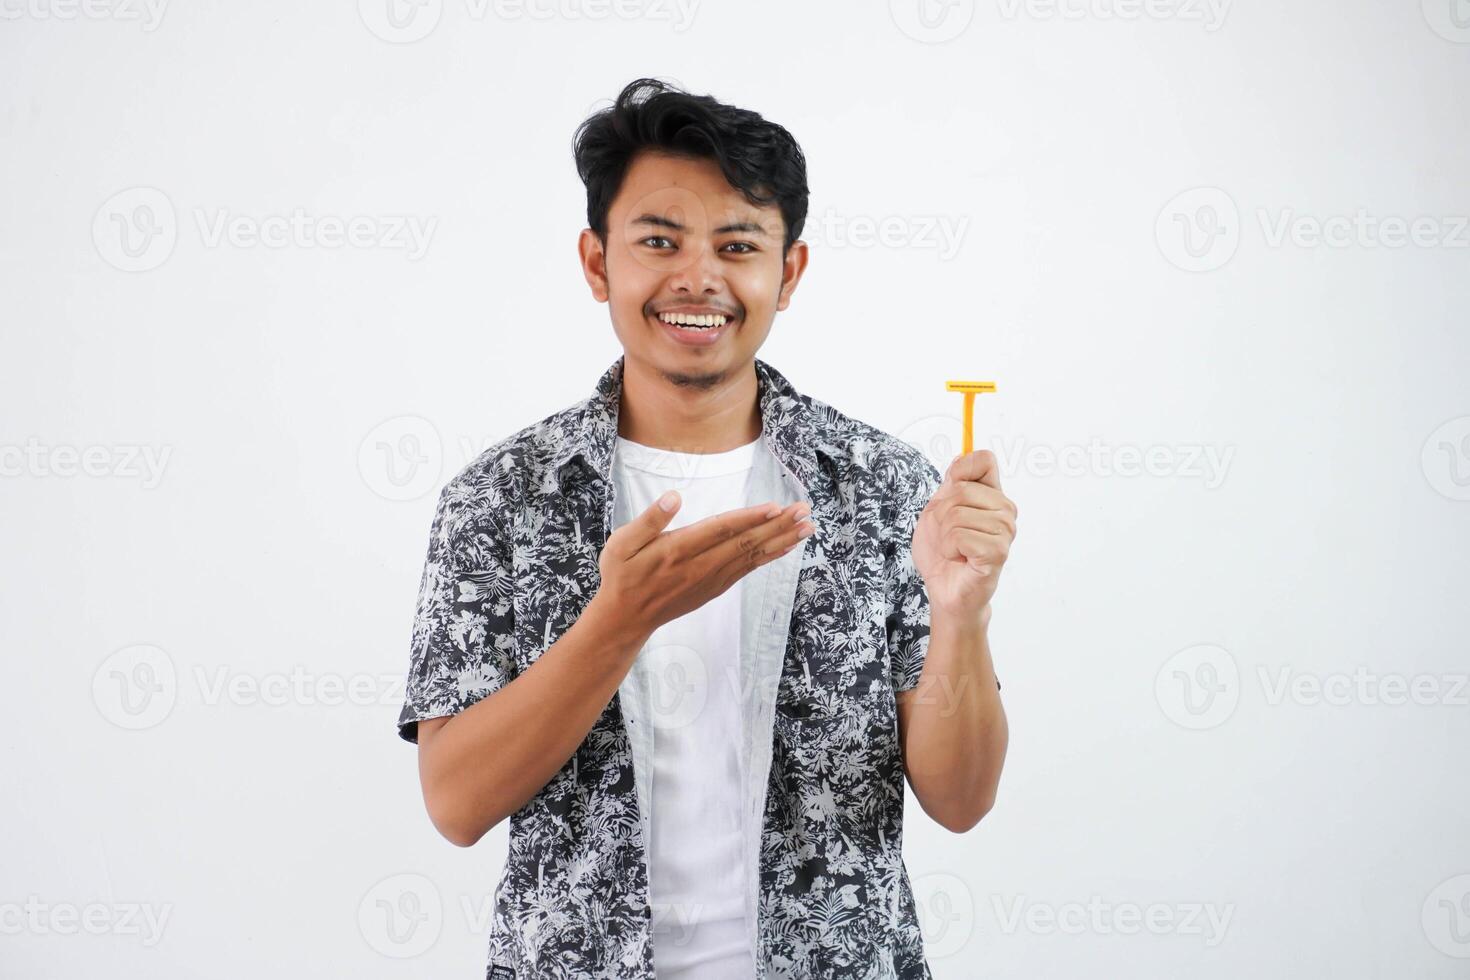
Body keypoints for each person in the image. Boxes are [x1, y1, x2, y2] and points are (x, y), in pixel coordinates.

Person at [396, 77, 1012, 980]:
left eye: (737, 245)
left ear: (787, 273)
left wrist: (962, 614)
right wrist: (621, 619)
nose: (699, 278)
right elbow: (455, 804)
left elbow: (960, 801)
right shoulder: (502, 500)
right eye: (658, 241)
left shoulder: (883, 487)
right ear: (598, 262)